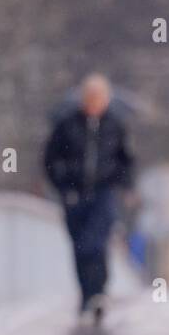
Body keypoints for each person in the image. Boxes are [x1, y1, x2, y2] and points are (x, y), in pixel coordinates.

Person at [44, 74, 136, 321]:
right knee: (79, 246)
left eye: (100, 97)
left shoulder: (115, 125)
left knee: (96, 242)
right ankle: (86, 294)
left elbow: (126, 159)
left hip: (103, 193)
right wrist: (62, 186)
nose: (95, 102)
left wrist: (125, 186)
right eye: (91, 97)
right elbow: (50, 160)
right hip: (74, 193)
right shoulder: (67, 125)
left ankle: (99, 292)